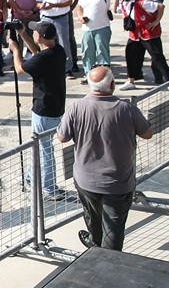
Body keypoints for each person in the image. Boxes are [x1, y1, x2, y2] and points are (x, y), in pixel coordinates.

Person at [56, 66, 154, 251]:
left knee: (93, 216)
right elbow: (147, 133)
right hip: (119, 181)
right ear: (112, 84)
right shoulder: (127, 108)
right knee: (114, 228)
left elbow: (62, 137)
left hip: (86, 181)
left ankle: (97, 245)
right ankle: (109, 260)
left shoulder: (76, 107)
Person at [9, 19, 67, 195]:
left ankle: (49, 188)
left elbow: (20, 69)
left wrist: (15, 49)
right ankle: (30, 176)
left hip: (43, 110)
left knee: (44, 150)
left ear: (40, 37)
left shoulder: (44, 57)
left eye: (34, 32)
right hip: (55, 107)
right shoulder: (57, 51)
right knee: (40, 146)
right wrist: (22, 33)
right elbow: (37, 53)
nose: (33, 33)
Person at [36, 0, 78, 79]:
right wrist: (41, 6)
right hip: (46, 18)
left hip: (61, 18)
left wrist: (54, 5)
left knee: (64, 44)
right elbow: (37, 2)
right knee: (45, 43)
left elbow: (69, 1)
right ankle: (48, 66)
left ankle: (67, 69)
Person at [74, 0, 112, 77]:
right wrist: (81, 17)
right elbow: (79, 10)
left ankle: (104, 74)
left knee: (102, 51)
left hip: (102, 27)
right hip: (87, 29)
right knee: (87, 53)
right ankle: (88, 74)